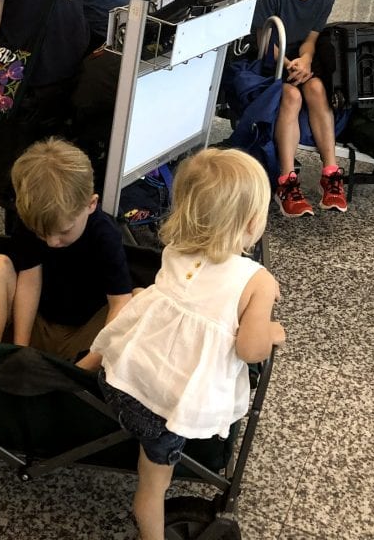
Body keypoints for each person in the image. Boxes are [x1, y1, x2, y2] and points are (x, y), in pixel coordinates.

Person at [87, 147, 285, 540]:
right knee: (152, 487)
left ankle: (87, 363)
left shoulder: (175, 251)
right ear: (250, 223)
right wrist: (272, 330)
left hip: (118, 382)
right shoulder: (256, 280)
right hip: (166, 412)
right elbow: (250, 350)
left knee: (146, 297)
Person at [0, 138, 132, 367]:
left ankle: (83, 374)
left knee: (139, 303)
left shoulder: (104, 233)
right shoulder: (33, 219)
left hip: (85, 337)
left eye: (63, 232)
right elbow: (29, 282)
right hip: (39, 322)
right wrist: (21, 350)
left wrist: (84, 368)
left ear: (91, 204)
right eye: (41, 233)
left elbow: (119, 302)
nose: (51, 242)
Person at [250, 0, 344, 216]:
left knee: (316, 88)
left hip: (297, 61)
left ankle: (331, 172)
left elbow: (311, 39)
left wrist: (304, 60)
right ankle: (286, 181)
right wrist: (288, 63)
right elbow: (264, 40)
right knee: (291, 96)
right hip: (269, 60)